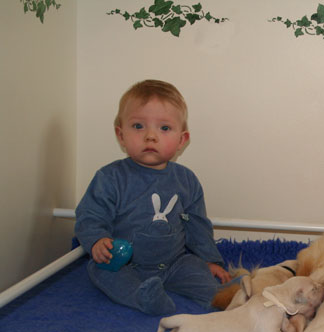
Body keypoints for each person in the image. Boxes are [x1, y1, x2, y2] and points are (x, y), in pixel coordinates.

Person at [75, 79, 231, 315]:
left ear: (182, 140)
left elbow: (198, 225)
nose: (150, 136)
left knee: (197, 272)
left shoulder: (186, 180)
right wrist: (97, 240)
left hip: (175, 262)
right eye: (138, 126)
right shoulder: (110, 177)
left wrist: (210, 260)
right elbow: (90, 215)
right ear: (120, 135)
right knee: (102, 271)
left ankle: (227, 298)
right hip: (124, 263)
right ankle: (144, 297)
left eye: (164, 128)